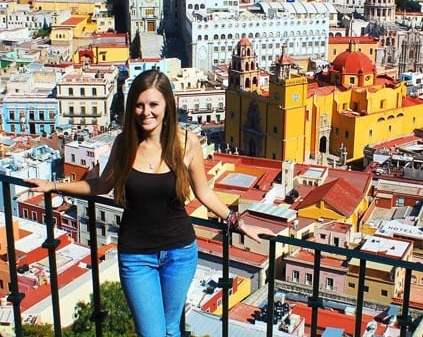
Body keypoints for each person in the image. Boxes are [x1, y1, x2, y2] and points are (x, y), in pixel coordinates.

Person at [28, 69, 269, 336]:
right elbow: (101, 185)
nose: (146, 112)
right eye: (140, 105)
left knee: (170, 330)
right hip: (136, 256)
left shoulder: (186, 143)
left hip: (180, 253)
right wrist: (55, 185)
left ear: (167, 106)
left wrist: (238, 222)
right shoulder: (124, 144)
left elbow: (205, 193)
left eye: (154, 104)